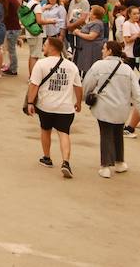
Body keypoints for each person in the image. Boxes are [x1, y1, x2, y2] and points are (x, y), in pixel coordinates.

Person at [26, 36, 82, 179]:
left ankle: (47, 157)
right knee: (64, 133)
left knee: (45, 130)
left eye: (45, 45)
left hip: (46, 106)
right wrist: (78, 102)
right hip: (66, 107)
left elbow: (34, 85)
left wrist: (30, 102)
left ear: (52, 48)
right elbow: (78, 86)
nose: (43, 47)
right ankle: (66, 161)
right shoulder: (71, 66)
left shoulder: (41, 64)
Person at [83, 40, 138, 178]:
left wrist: (85, 97)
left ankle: (106, 166)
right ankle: (120, 162)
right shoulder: (127, 69)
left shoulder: (98, 66)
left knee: (106, 133)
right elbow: (136, 91)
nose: (102, 51)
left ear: (109, 51)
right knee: (118, 133)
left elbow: (88, 84)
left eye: (104, 49)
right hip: (122, 108)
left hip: (104, 106)